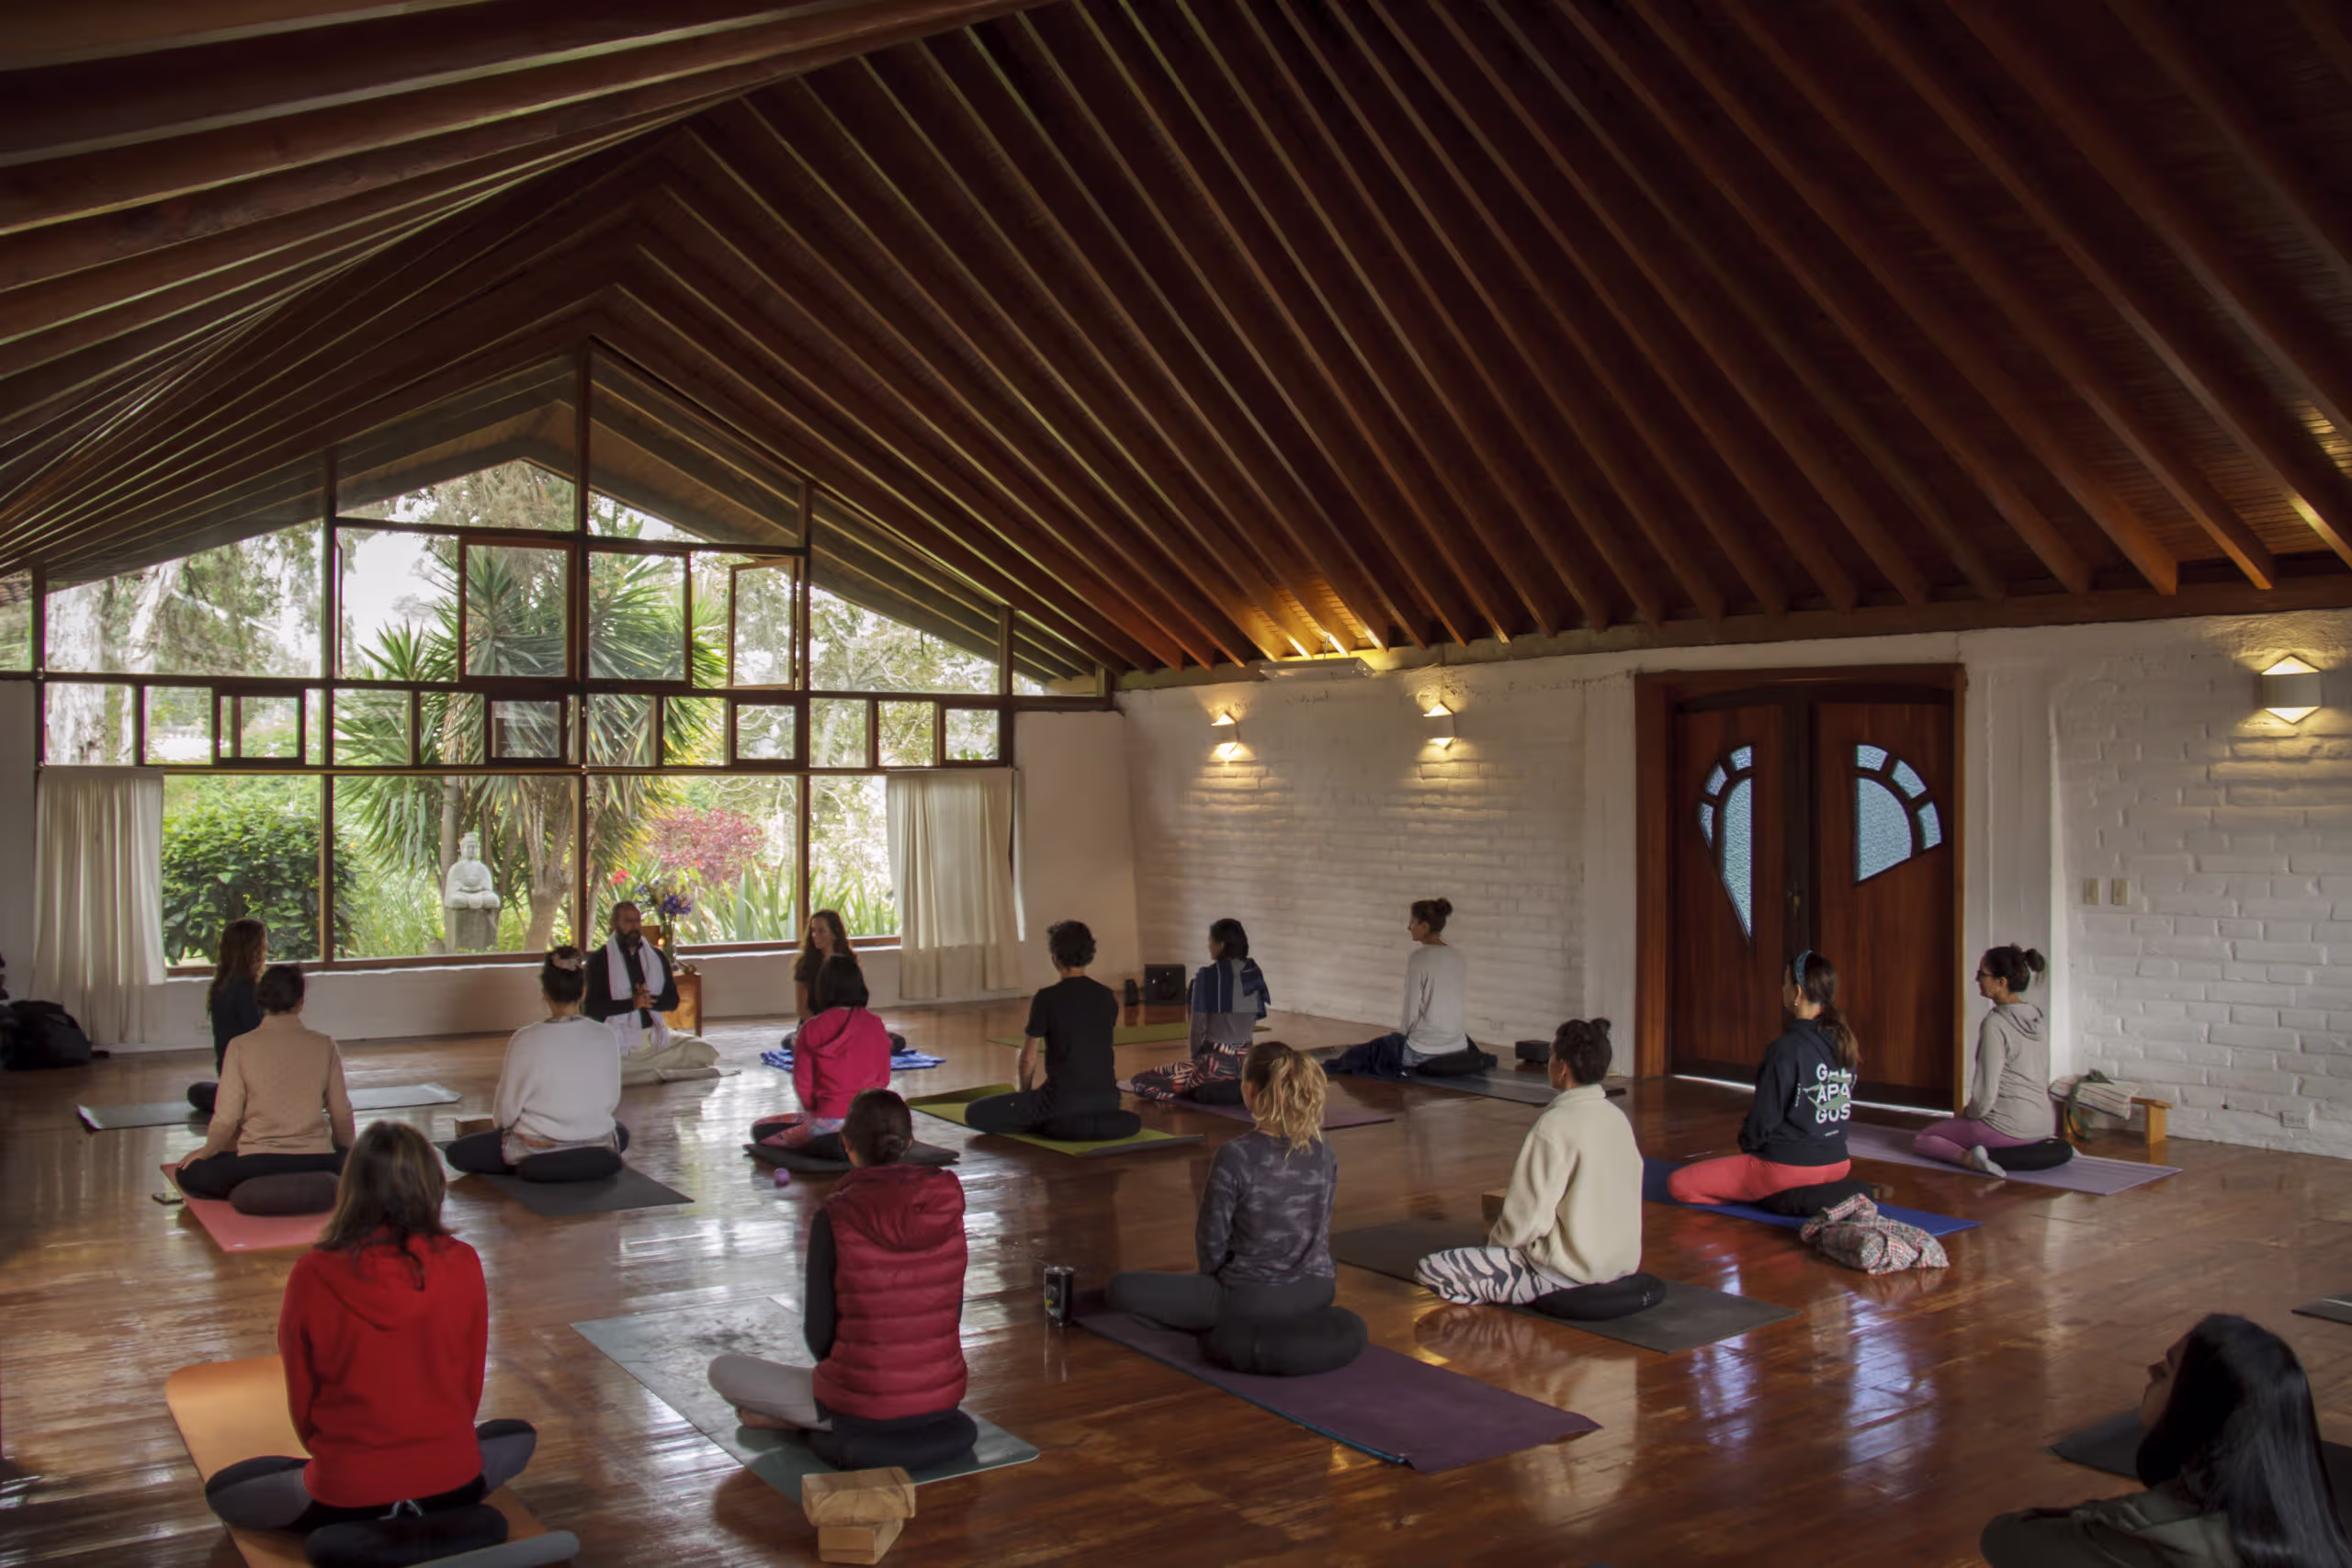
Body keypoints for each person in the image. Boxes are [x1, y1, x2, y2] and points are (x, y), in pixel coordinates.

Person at [202, 1122, 537, 1536]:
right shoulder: (464, 1261)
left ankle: (364, 1533)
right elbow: (468, 1387)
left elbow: (304, 1406)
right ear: (432, 1186)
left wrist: (348, 1464)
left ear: (351, 1189)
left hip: (345, 1495)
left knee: (227, 1489)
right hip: (453, 1482)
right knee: (515, 1437)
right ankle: (430, 1522)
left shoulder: (312, 1272)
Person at [1982, 1314, 2352, 1568]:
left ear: (2199, 1405)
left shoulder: (2159, 1531)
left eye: (2167, 1369)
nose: (2151, 1371)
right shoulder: (2308, 1522)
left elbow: (2006, 1539)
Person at [708, 1090, 968, 1438]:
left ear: (847, 1144)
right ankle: (817, 1419)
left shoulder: (836, 1215)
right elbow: (954, 1314)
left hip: (860, 1404)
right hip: (942, 1396)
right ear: (909, 1142)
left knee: (724, 1370)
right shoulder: (947, 1205)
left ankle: (809, 1421)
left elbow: (820, 1339)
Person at [1109, 1041, 1340, 1331]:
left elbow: (1211, 1241)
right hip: (1317, 1290)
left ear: (1250, 1092)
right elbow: (1321, 1226)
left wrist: (1214, 1286)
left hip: (1249, 1298)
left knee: (1121, 1287)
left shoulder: (1237, 1154)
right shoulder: (1322, 1147)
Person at [1415, 1018, 1643, 1303]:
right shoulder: (1618, 1119)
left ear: (1561, 1067)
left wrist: (1495, 1250)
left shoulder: (1555, 1126)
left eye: (1551, 1056)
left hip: (1563, 1275)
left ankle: (1517, 1296)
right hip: (1618, 1267)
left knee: (1432, 1270)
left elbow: (1528, 1220)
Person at [1667, 951, 1857, 1205]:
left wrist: (1748, 1145)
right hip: (1838, 1165)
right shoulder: (1846, 1042)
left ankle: (1763, 1198)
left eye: (1786, 983)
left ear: (1798, 993)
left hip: (1786, 1171)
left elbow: (1763, 1120)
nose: (1783, 989)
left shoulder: (1786, 1048)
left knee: (1678, 1185)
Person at [175, 964, 356, 1201]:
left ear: (260, 1001)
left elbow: (227, 1117)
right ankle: (328, 1182)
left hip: (258, 1161)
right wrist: (348, 1157)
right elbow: (341, 1112)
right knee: (366, 1167)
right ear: (300, 1002)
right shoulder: (324, 1044)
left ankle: (256, 1188)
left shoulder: (240, 1046)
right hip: (317, 1158)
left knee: (189, 1173)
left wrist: (208, 1151)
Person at [446, 948, 628, 1176]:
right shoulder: (606, 1035)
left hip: (534, 1145)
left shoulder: (525, 1039)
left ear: (545, 993)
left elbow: (504, 1116)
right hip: (596, 1140)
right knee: (621, 1132)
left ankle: (542, 1160)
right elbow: (611, 1101)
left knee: (457, 1153)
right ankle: (582, 1153)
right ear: (583, 991)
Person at [1917, 945, 2063, 1176]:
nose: (1977, 980)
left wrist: (1968, 1114)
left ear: (2001, 982)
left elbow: (1985, 1094)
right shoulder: (2036, 1016)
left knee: (1925, 1138)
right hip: (2044, 1123)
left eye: (1982, 975)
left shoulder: (1996, 1024)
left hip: (2007, 1126)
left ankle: (1970, 1159)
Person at [963, 921, 1120, 1135]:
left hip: (1061, 1102)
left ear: (1055, 958)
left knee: (975, 1112)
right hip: (1109, 1100)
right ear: (1089, 955)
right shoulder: (1107, 996)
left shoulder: (1047, 998)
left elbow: (1028, 1059)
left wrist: (1024, 1094)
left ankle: (1054, 1124)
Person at [1326, 898, 1481, 1078]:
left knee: (1363, 1054)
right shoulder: (1457, 957)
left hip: (1422, 1051)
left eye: (1412, 922)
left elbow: (1410, 1012)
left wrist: (1399, 1041)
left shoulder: (1419, 958)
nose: (1408, 927)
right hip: (1458, 1048)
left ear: (1424, 926)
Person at [752, 955, 891, 1150]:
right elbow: (883, 1079)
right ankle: (850, 1146)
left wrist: (815, 1113)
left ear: (822, 989)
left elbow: (803, 1083)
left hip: (826, 1121)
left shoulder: (811, 1028)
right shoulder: (875, 1024)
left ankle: (829, 1144)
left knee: (761, 1130)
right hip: (869, 1123)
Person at [1128, 918, 1271, 1103]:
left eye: (1211, 941)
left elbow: (1198, 1029)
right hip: (1246, 1065)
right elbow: (1253, 1021)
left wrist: (1196, 1063)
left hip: (1213, 1066)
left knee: (1141, 1082)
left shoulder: (1207, 976)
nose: (1209, 945)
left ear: (1222, 945)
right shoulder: (1253, 972)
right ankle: (1232, 1089)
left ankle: (1200, 1088)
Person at [583, 900, 718, 1085]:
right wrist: (632, 1004)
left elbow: (672, 1002)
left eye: (638, 921)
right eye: (628, 921)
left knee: (702, 1050)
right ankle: (650, 1071)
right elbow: (592, 1009)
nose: (635, 927)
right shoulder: (599, 960)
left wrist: (649, 1001)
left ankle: (638, 1072)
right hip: (616, 1039)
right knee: (595, 1060)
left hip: (654, 1040)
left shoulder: (656, 957)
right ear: (614, 924)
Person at [187, 918, 267, 1116]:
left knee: (198, 1092)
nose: (267, 947)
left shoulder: (223, 986)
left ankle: (241, 1099)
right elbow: (258, 1036)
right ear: (253, 949)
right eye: (263, 942)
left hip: (235, 1079)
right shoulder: (243, 989)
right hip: (251, 1080)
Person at [793, 910, 855, 1022]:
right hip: (813, 1023)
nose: (815, 936)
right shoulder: (804, 964)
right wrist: (822, 1026)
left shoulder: (848, 962)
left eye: (821, 931)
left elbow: (854, 1002)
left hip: (842, 1023)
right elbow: (802, 1009)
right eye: (813, 931)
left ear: (834, 934)